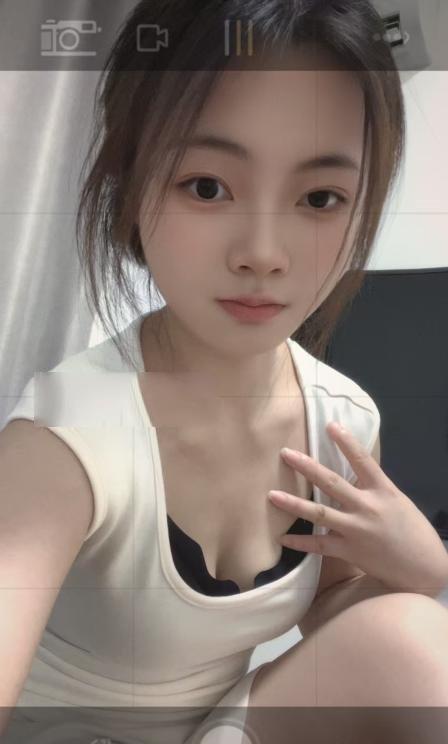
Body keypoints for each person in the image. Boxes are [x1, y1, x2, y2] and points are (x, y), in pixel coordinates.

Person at [1, 1, 448, 743]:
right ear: (129, 184)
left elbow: (332, 607)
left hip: (218, 729)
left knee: (418, 635)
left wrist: (420, 569)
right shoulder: (62, 446)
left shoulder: (342, 419)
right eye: (207, 186)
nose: (263, 253)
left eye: (320, 198)